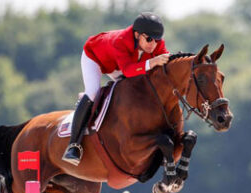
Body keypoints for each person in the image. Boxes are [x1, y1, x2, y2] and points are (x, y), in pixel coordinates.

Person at [61, 12, 170, 166]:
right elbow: (127, 71)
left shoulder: (155, 42)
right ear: (137, 34)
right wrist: (152, 62)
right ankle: (73, 145)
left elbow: (165, 59)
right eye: (149, 39)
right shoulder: (120, 41)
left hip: (120, 64)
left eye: (157, 40)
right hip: (95, 58)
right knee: (93, 92)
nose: (153, 44)